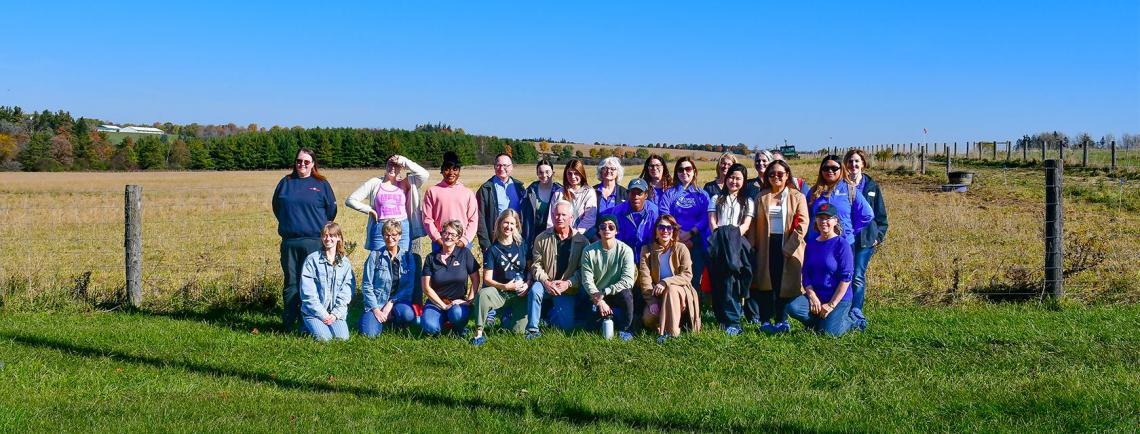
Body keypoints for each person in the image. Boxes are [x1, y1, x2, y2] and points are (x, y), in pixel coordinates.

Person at [272, 148, 337, 332]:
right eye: (299, 161)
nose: (302, 164)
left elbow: (331, 211)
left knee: (311, 283)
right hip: (290, 242)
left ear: (313, 164)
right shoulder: (285, 183)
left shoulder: (321, 184)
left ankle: (310, 322)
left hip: (314, 242)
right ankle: (289, 322)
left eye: (306, 162)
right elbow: (277, 207)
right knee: (291, 283)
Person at [750, 160, 809, 333]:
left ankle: (782, 320)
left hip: (788, 245)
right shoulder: (761, 197)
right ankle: (765, 320)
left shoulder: (797, 196)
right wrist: (751, 247)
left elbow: (803, 224)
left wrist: (789, 247)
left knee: (784, 284)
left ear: (787, 175)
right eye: (772, 174)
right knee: (766, 283)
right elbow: (753, 223)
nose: (776, 177)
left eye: (780, 174)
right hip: (766, 245)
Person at [786, 203, 856, 336]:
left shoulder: (842, 244)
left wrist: (831, 305)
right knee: (793, 307)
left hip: (837, 298)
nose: (824, 222)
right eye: (820, 218)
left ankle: (851, 321)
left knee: (829, 334)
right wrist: (812, 297)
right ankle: (817, 323)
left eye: (828, 218)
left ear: (835, 221)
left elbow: (846, 278)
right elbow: (806, 274)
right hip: (817, 297)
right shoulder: (811, 244)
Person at [526, 200, 591, 338]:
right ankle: (532, 329)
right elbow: (536, 265)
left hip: (566, 289)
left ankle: (549, 317)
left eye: (563, 215)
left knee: (565, 327)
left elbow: (584, 270)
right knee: (535, 290)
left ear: (571, 218)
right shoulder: (541, 238)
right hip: (545, 283)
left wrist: (568, 283)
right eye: (556, 215)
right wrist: (546, 282)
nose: (559, 218)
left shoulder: (582, 241)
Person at [346, 154, 429, 255]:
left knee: (402, 261)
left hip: (402, 228)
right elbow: (351, 200)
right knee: (378, 260)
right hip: (381, 227)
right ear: (385, 166)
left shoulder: (405, 183)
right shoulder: (375, 183)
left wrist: (404, 160)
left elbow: (424, 174)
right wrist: (369, 210)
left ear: (401, 168)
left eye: (396, 165)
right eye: (390, 164)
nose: (393, 168)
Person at [707, 163, 754, 336]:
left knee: (733, 281)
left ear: (744, 181)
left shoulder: (747, 202)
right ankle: (721, 318)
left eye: (738, 178)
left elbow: (746, 225)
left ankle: (733, 320)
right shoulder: (716, 199)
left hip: (737, 244)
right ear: (726, 179)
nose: (734, 181)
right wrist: (722, 237)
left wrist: (731, 238)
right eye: (731, 177)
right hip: (718, 243)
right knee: (719, 281)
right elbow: (712, 222)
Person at [638, 215, 701, 343]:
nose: (665, 231)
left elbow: (687, 275)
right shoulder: (647, 251)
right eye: (661, 227)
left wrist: (665, 282)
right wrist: (652, 302)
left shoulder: (681, 248)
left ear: (673, 231)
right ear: (656, 231)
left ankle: (672, 334)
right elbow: (645, 279)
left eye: (669, 228)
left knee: (671, 289)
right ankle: (670, 322)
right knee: (648, 318)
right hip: (658, 295)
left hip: (680, 293)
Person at [470, 210, 530, 345]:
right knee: (484, 293)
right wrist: (505, 286)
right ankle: (478, 334)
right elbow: (487, 279)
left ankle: (506, 321)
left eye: (512, 224)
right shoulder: (492, 250)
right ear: (500, 224)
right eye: (506, 222)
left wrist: (528, 283)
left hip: (520, 294)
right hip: (500, 293)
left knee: (517, 332)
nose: (508, 227)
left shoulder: (522, 245)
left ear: (517, 226)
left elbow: (530, 269)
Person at [844, 149, 888, 329]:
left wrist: (878, 236)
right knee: (845, 274)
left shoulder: (871, 186)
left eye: (857, 162)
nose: (853, 165)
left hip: (865, 240)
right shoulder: (841, 185)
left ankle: (856, 310)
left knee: (858, 276)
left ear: (863, 164)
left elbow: (881, 216)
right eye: (850, 162)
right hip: (845, 239)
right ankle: (843, 308)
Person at [359, 219, 422, 338]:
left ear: (400, 236)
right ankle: (378, 319)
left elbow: (409, 287)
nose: (390, 238)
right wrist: (376, 310)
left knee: (408, 315)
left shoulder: (408, 257)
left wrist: (390, 304)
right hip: (377, 302)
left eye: (394, 235)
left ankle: (394, 320)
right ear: (383, 236)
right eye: (387, 235)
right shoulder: (374, 256)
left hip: (398, 302)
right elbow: (367, 285)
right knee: (369, 334)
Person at [580, 214, 637, 341]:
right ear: (598, 230)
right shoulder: (588, 251)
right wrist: (599, 300)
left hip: (616, 293)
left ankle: (626, 329)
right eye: (603, 226)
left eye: (611, 227)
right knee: (590, 328)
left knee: (627, 294)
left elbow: (628, 281)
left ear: (616, 231)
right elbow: (586, 280)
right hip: (596, 294)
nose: (607, 229)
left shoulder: (625, 250)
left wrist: (606, 291)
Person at [421, 220, 480, 336]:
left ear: (458, 238)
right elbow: (426, 287)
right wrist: (443, 306)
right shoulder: (431, 258)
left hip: (457, 302)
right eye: (446, 233)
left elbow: (476, 279)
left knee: (456, 314)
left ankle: (457, 327)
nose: (449, 237)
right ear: (441, 234)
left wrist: (469, 300)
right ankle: (442, 321)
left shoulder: (465, 253)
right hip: (436, 302)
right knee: (430, 329)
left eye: (453, 235)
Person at [659, 157, 710, 291]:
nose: (684, 172)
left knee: (694, 279)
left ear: (694, 171)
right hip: (673, 240)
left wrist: (691, 233)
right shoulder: (669, 194)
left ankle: (694, 309)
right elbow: (665, 214)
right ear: (676, 173)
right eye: (680, 170)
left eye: (688, 169)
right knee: (675, 277)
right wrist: (678, 234)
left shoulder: (702, 195)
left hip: (696, 241)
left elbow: (706, 217)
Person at [298, 222, 354, 341]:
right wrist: (323, 315)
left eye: (332, 235)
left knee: (342, 338)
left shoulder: (345, 263)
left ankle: (322, 326)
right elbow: (308, 294)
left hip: (335, 313)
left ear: (338, 237)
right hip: (314, 312)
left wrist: (335, 314)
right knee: (325, 339)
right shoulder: (312, 260)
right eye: (325, 235)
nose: (328, 239)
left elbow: (346, 292)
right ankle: (307, 326)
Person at [806, 155, 874, 248]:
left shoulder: (849, 190)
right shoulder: (814, 192)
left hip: (843, 243)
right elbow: (806, 216)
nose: (830, 171)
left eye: (834, 168)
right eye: (826, 168)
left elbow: (867, 214)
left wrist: (850, 230)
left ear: (841, 169)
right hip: (817, 243)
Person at [422, 151, 478, 250]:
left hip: (462, 241)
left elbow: (473, 219)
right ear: (442, 171)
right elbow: (427, 219)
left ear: (459, 171)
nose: (451, 173)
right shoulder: (432, 192)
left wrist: (464, 240)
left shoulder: (467, 193)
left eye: (455, 169)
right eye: (447, 169)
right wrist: (438, 239)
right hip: (440, 241)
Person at [476, 153, 527, 255]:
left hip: (516, 237)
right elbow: (480, 219)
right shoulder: (486, 189)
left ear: (511, 167)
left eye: (505, 165)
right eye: (498, 165)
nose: (501, 168)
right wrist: (485, 244)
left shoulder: (519, 187)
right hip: (495, 238)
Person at [605, 178, 660, 265]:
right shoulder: (617, 211)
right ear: (628, 194)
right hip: (624, 257)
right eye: (632, 193)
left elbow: (656, 239)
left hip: (648, 256)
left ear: (646, 195)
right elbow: (615, 240)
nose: (636, 197)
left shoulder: (654, 211)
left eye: (639, 193)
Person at [521, 159, 563, 250]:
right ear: (537, 174)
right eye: (540, 172)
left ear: (553, 173)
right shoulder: (530, 191)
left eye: (547, 172)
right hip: (533, 236)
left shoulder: (560, 191)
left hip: (553, 236)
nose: (544, 175)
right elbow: (523, 214)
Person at [549, 159, 597, 235]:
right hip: (559, 235)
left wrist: (575, 235)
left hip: (582, 236)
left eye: (576, 173)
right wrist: (553, 234)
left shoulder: (589, 192)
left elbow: (589, 219)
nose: (573, 177)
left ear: (582, 174)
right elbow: (551, 217)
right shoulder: (559, 193)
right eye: (569, 173)